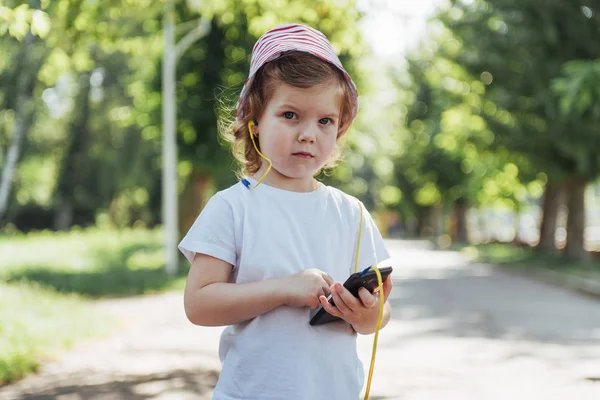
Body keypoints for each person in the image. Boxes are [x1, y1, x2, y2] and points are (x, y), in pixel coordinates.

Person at [179, 23, 392, 400]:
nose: (308, 133)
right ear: (255, 120)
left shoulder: (352, 213)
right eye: (291, 115)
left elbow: (381, 312)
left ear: (339, 127)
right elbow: (199, 304)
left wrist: (368, 316)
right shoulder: (232, 207)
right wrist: (283, 290)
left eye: (325, 120)